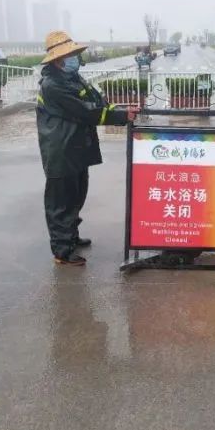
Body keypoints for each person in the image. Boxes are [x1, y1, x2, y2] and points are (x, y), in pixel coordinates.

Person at [36, 30, 138, 266]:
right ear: (58, 59)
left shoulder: (72, 78)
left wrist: (120, 109)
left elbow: (96, 100)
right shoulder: (53, 85)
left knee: (77, 196)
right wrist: (121, 116)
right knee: (61, 202)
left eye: (75, 54)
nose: (75, 58)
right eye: (71, 55)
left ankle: (71, 236)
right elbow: (85, 111)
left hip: (76, 148)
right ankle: (62, 251)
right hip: (61, 150)